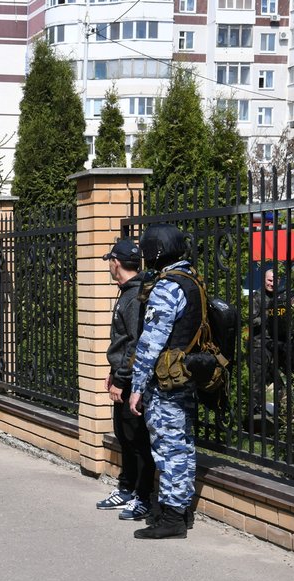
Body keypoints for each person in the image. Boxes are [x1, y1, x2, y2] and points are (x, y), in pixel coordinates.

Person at [128, 224, 202, 539]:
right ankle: (178, 510)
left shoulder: (167, 286)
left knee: (170, 446)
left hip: (166, 382)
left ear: (155, 251)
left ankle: (172, 519)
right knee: (181, 444)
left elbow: (151, 343)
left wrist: (136, 386)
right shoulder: (192, 280)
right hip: (184, 375)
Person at [96, 238, 155, 521]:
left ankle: (143, 497)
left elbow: (135, 343)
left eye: (110, 260)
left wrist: (121, 378)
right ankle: (126, 488)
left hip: (131, 379)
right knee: (123, 435)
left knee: (137, 439)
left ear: (115, 263)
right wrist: (114, 369)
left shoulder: (134, 298)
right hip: (122, 374)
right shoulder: (128, 292)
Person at [249, 267, 294, 417]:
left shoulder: (281, 298)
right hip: (260, 345)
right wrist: (268, 318)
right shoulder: (257, 297)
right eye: (269, 280)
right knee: (258, 381)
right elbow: (251, 320)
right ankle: (255, 413)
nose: (272, 283)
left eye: (275, 280)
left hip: (278, 344)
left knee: (281, 379)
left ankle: (285, 410)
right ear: (264, 280)